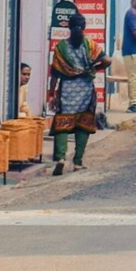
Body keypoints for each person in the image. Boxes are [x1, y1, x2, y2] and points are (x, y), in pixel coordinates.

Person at [49, 15, 111, 174]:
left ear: (68, 27)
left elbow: (55, 73)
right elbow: (107, 60)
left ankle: (61, 158)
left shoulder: (61, 47)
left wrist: (51, 93)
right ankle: (77, 162)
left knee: (62, 122)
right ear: (84, 27)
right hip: (85, 89)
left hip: (67, 91)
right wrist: (94, 68)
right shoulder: (90, 45)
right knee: (83, 124)